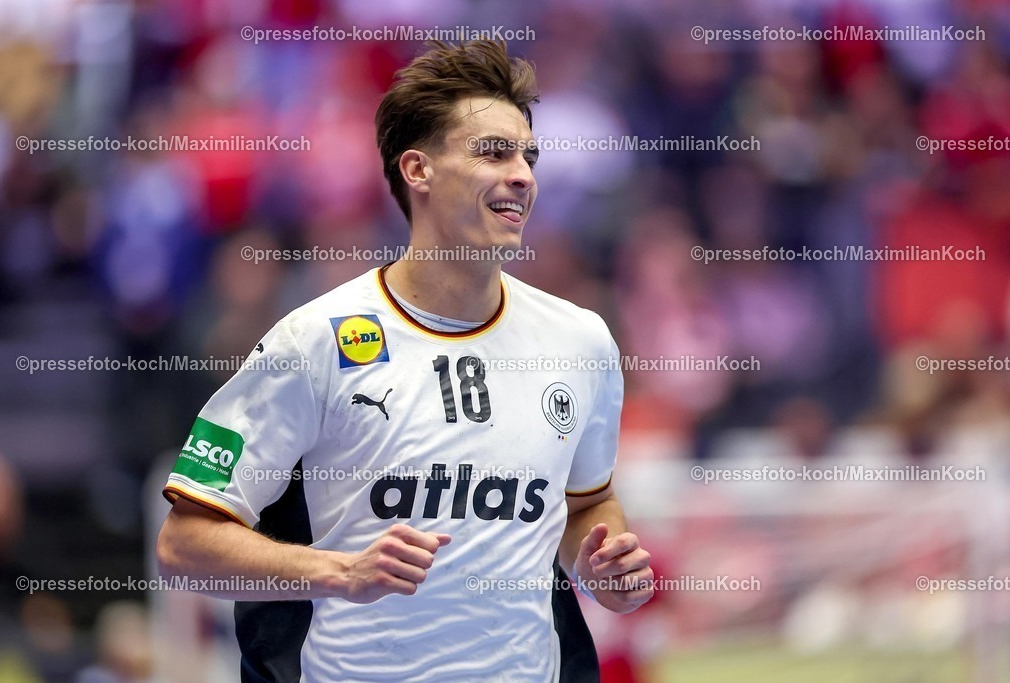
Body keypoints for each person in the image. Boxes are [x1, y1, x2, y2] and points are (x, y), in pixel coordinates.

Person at [156, 39, 654, 682]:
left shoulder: (580, 341)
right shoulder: (311, 342)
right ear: (417, 171)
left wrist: (604, 564)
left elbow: (587, 502)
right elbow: (183, 543)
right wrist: (340, 572)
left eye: (529, 156)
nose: (524, 175)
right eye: (493, 152)